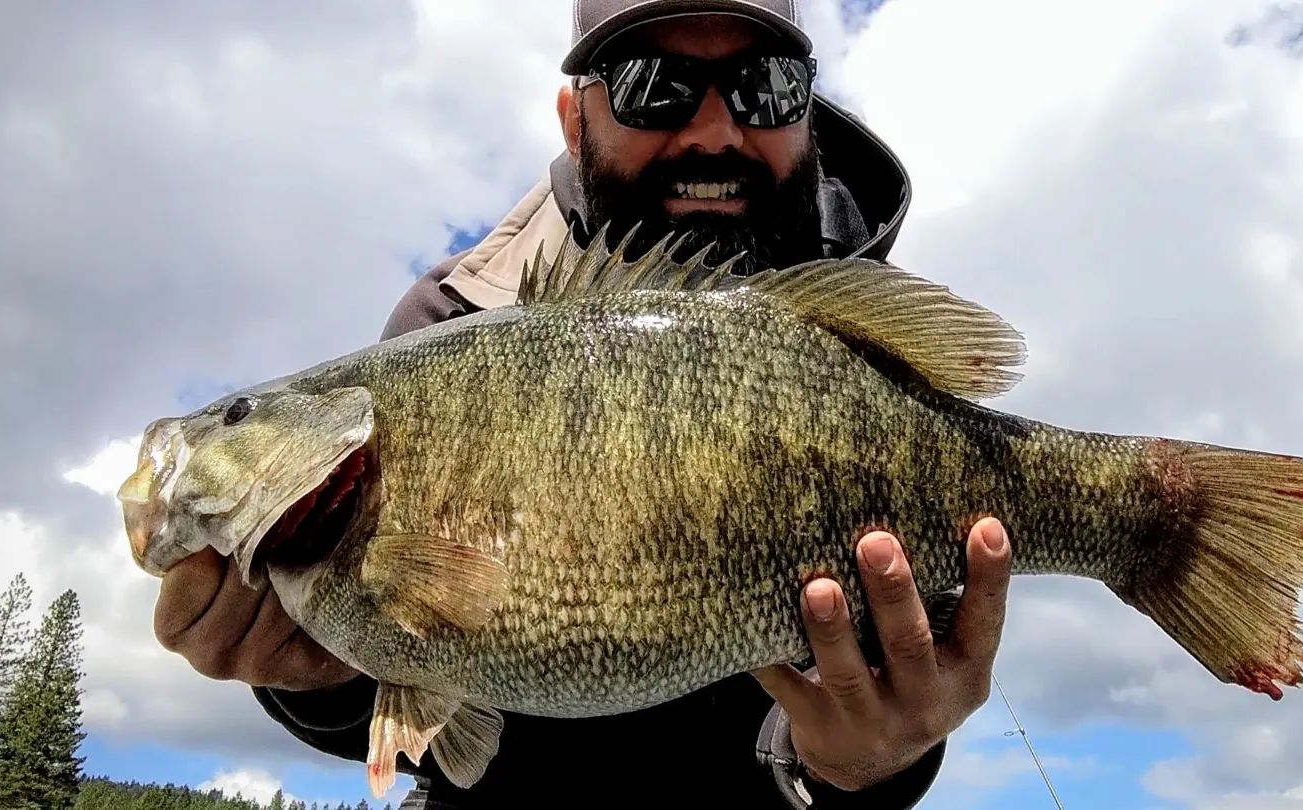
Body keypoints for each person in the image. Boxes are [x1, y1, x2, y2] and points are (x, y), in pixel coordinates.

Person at [149, 2, 1014, 807]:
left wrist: (875, 757)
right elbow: (430, 722)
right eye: (651, 87)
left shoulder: (864, 355)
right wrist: (323, 675)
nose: (715, 131)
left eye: (766, 88)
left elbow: (896, 687)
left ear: (808, 112)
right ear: (574, 120)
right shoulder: (448, 329)